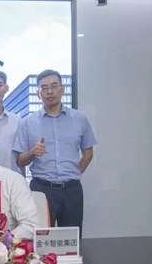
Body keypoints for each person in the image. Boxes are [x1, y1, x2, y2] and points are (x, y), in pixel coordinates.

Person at [14, 69, 96, 236]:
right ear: (38, 94)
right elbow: (20, 160)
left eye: (54, 86)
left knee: (71, 240)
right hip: (41, 189)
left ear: (62, 89)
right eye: (44, 88)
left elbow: (88, 153)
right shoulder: (28, 122)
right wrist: (33, 152)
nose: (49, 91)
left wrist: (74, 173)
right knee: (41, 240)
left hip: (72, 190)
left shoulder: (79, 118)